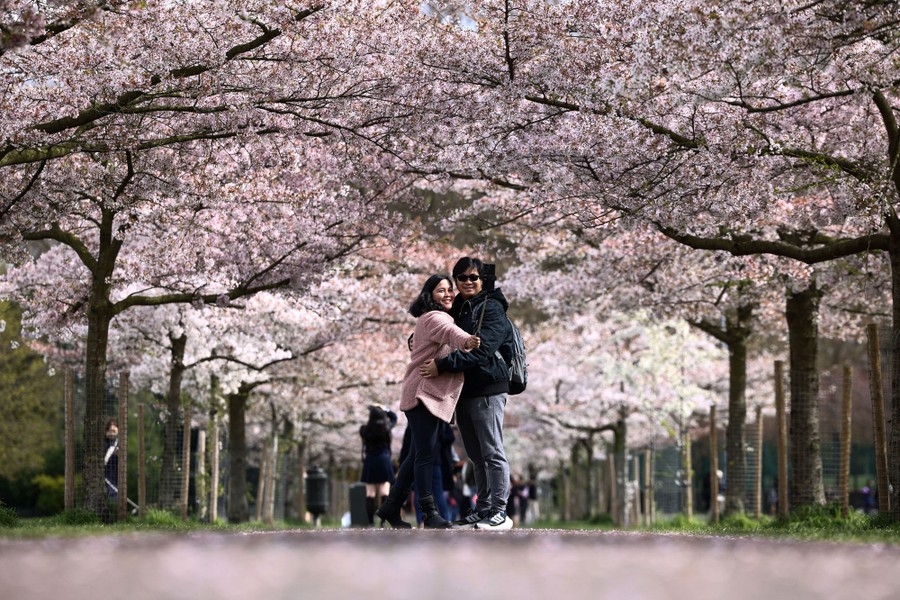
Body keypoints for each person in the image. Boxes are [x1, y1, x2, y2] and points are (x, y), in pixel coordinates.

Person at [375, 274, 480, 529]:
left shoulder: (433, 317)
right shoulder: (435, 317)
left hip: (424, 393)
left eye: (449, 290)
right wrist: (468, 340)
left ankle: (390, 507)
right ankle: (429, 512)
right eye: (441, 290)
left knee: (415, 455)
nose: (447, 294)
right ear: (429, 295)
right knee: (424, 455)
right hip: (423, 393)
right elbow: (451, 333)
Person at [420, 256, 514, 530]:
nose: (468, 282)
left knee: (492, 450)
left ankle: (499, 510)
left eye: (473, 277)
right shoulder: (460, 308)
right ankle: (483, 507)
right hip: (464, 389)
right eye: (462, 278)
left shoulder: (492, 308)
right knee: (475, 454)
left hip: (489, 388)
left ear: (483, 279)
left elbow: (482, 352)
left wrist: (443, 366)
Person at [359, 404, 398, 525]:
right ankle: (383, 521)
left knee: (370, 493)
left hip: (370, 461)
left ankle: (371, 523)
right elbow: (394, 417)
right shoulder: (386, 428)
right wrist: (385, 409)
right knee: (384, 493)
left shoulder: (364, 430)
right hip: (384, 460)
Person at [104, 418, 119, 499]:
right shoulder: (103, 442)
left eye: (114, 431)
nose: (112, 434)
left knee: (114, 493)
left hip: (115, 473)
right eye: (110, 431)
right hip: (104, 472)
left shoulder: (118, 442)